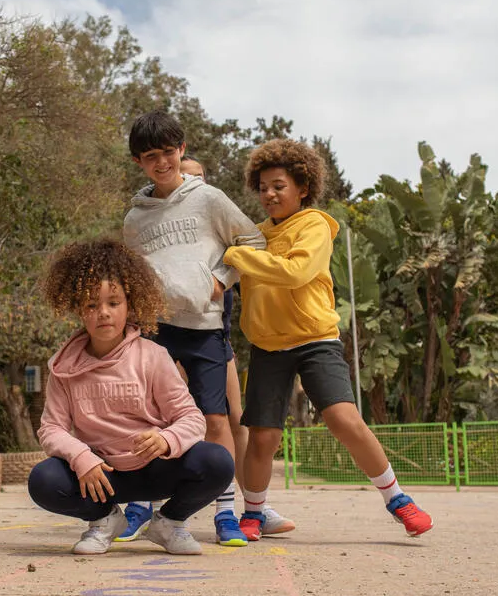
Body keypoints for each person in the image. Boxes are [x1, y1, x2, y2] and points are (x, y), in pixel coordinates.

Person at [223, 139, 434, 540]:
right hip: (268, 345)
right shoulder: (253, 235)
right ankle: (253, 512)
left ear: (302, 187)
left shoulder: (315, 225)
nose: (269, 194)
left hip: (315, 338)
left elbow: (295, 272)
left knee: (343, 418)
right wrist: (236, 254)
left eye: (279, 185)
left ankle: (398, 499)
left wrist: (236, 256)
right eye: (263, 186)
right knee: (263, 435)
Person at [117, 153, 294, 543]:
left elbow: (249, 248)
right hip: (161, 327)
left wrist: (220, 279)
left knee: (230, 418)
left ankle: (247, 508)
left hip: (212, 333)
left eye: (194, 175)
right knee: (155, 416)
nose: (182, 178)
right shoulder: (144, 219)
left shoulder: (211, 213)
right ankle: (140, 505)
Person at [27, 239, 236, 555]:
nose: (103, 313)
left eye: (113, 302)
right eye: (91, 305)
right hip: (103, 477)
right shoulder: (63, 366)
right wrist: (81, 457)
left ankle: (169, 524)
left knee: (218, 461)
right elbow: (51, 429)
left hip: (158, 469)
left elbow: (191, 418)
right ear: (77, 309)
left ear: (130, 305)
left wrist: (167, 440)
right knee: (43, 479)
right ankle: (104, 522)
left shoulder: (153, 356)